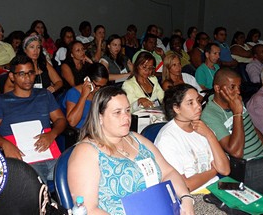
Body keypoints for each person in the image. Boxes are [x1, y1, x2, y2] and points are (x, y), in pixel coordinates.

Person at [68, 86, 195, 215]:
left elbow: (168, 172)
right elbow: (88, 210)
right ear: (99, 117)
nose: (126, 117)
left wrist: (186, 197)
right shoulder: (85, 152)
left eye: (127, 110)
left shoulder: (136, 139)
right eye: (117, 112)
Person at [201, 67, 263, 195]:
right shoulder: (210, 115)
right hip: (245, 171)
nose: (237, 91)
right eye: (232, 87)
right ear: (217, 88)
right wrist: (237, 113)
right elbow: (236, 152)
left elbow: (250, 125)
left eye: (239, 86)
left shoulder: (237, 101)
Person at [0, 55, 66, 183]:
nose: (27, 78)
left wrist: (52, 134)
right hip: (23, 157)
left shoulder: (44, 95)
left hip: (49, 152)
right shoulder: (0, 101)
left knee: (77, 175)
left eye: (30, 73)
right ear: (12, 77)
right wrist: (5, 144)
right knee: (38, 189)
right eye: (21, 74)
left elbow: (61, 119)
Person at [155, 84, 230, 192]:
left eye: (198, 101)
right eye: (190, 103)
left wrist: (210, 135)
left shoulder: (202, 128)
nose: (198, 106)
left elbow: (225, 169)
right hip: (195, 196)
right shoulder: (167, 139)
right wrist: (213, 171)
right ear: (176, 108)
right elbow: (185, 186)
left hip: (217, 186)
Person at [62, 63, 108, 129]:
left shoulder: (101, 93)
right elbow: (72, 122)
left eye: (103, 86)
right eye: (97, 86)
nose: (99, 89)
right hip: (81, 132)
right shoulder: (73, 93)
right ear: (88, 79)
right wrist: (83, 96)